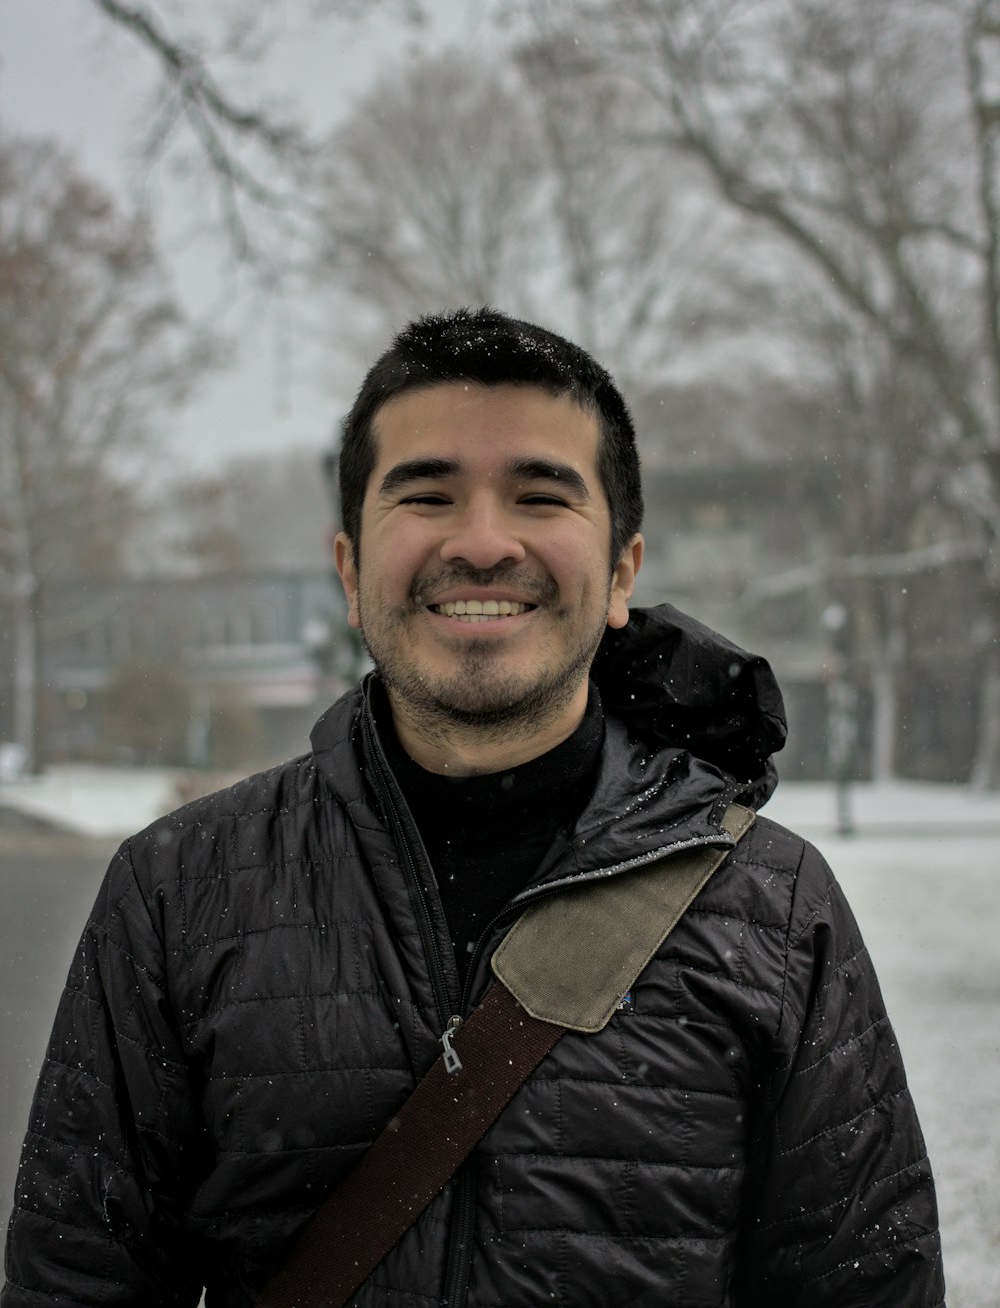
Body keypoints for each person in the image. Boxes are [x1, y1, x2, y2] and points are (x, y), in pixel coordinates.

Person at [3, 307, 944, 1307]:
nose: (484, 542)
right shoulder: (173, 893)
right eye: (426, 493)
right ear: (349, 567)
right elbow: (75, 1284)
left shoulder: (776, 908)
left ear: (622, 568)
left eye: (540, 494)